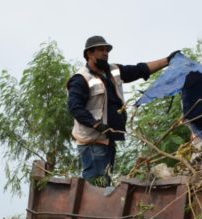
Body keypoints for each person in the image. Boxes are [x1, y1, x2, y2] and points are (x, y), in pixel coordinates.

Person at [67, 36, 178, 186]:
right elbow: (75, 107)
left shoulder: (114, 71)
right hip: (93, 143)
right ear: (89, 54)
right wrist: (95, 124)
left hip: (108, 141)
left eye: (107, 50)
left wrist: (168, 60)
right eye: (101, 50)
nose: (105, 53)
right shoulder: (81, 79)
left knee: (103, 184)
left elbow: (140, 70)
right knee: (96, 186)